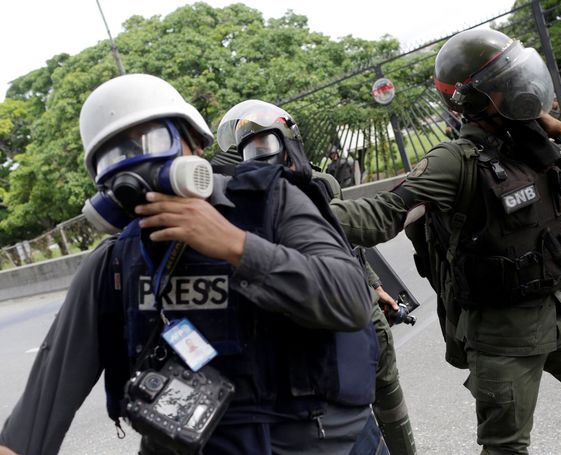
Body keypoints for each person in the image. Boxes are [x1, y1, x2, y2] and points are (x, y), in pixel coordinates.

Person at [0, 74, 381, 455]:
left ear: (195, 144)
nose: (137, 162)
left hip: (328, 443)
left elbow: (350, 300)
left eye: (151, 140)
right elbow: (36, 418)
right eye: (116, 154)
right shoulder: (114, 263)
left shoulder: (273, 202)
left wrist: (236, 246)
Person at [330, 29, 561, 454]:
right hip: (501, 334)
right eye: (507, 83)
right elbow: (384, 213)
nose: (522, 88)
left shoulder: (534, 144)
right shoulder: (453, 162)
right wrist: (299, 215)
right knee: (506, 446)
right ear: (475, 100)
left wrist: (560, 129)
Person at [214, 99, 416, 455]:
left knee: (385, 397)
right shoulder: (235, 204)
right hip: (318, 322)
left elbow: (342, 246)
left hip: (352, 306)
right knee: (355, 413)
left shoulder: (317, 184)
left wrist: (374, 284)